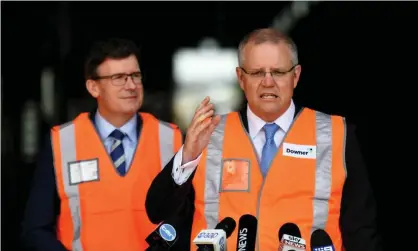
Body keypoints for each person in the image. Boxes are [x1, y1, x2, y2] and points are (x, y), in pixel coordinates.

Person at [146, 28, 382, 251]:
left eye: (278, 72)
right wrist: (188, 156)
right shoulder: (207, 134)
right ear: (240, 78)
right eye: (257, 72)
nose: (268, 82)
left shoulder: (337, 134)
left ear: (296, 76)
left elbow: (361, 232)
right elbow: (158, 211)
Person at [21, 38, 183, 251]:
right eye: (118, 78)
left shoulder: (170, 138)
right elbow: (35, 229)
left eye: (135, 75)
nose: (131, 85)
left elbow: (186, 218)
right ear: (93, 87)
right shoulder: (62, 142)